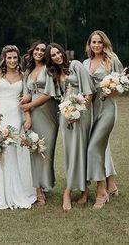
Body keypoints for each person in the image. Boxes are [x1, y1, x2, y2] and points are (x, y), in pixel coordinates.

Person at [45, 43, 95, 211]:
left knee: (80, 150)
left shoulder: (76, 65)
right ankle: (82, 189)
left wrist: (79, 111)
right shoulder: (54, 74)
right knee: (69, 153)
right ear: (50, 59)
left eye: (58, 52)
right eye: (53, 55)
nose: (57, 56)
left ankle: (72, 191)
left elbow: (89, 93)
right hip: (65, 116)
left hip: (81, 115)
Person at [0, 45, 36, 209]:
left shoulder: (23, 75)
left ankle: (14, 191)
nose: (12, 61)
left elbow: (25, 99)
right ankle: (1, 192)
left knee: (11, 152)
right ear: (4, 58)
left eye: (15, 57)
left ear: (18, 58)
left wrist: (27, 116)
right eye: (9, 58)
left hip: (15, 115)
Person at [83, 30, 123, 209]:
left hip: (107, 108)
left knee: (93, 148)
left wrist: (112, 90)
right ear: (89, 44)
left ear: (104, 44)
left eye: (99, 42)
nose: (97, 45)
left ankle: (101, 191)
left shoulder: (112, 60)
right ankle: (112, 184)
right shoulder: (85, 63)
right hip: (90, 110)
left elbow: (123, 83)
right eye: (94, 42)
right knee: (102, 147)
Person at [20, 41, 59, 205]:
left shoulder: (48, 70)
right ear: (32, 51)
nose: (40, 52)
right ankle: (38, 190)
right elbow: (24, 96)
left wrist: (30, 104)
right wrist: (27, 116)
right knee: (34, 151)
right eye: (37, 49)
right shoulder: (28, 71)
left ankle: (45, 184)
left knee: (47, 152)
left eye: (43, 50)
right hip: (33, 115)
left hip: (48, 113)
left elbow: (49, 94)